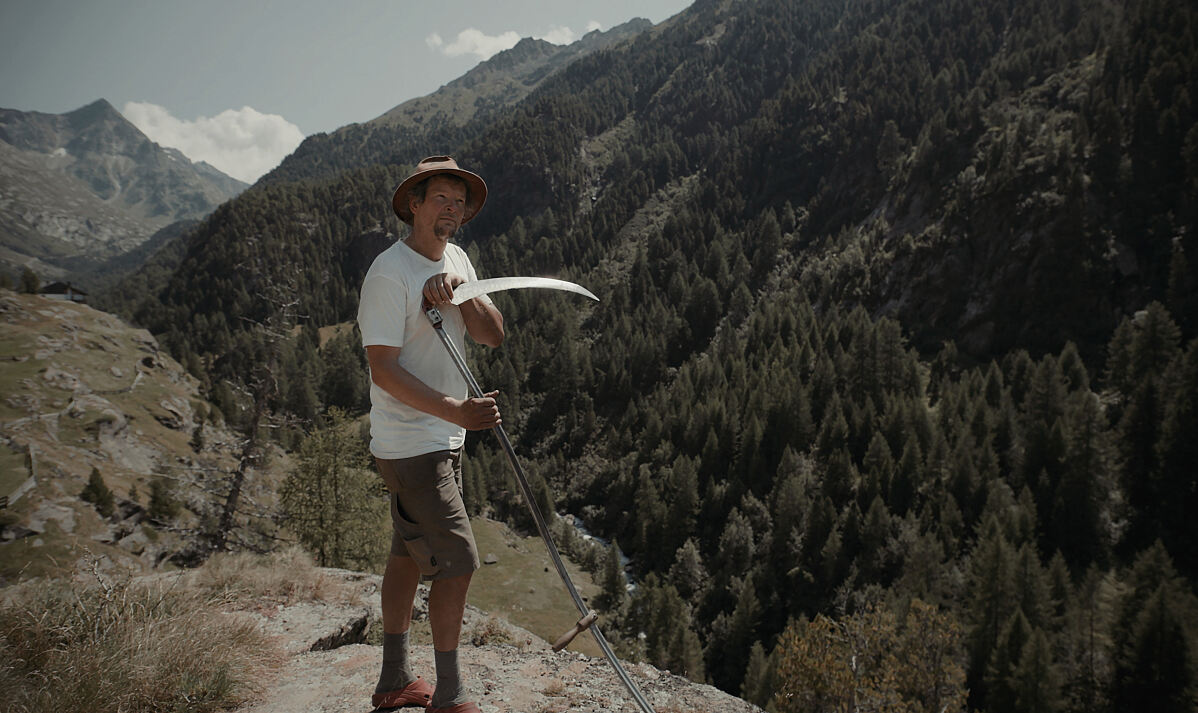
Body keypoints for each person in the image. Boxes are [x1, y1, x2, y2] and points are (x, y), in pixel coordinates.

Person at [357, 156, 504, 713]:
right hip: (410, 442)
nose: (452, 208)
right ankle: (450, 694)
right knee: (459, 562)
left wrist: (465, 293)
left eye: (459, 201)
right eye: (440, 197)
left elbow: (492, 337)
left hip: (442, 438)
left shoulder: (457, 257)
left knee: (407, 555)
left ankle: (393, 680)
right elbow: (384, 370)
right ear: (413, 205)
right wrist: (458, 411)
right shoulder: (388, 273)